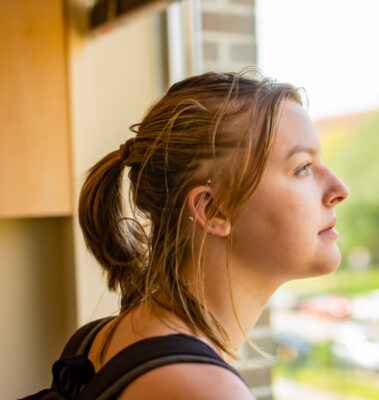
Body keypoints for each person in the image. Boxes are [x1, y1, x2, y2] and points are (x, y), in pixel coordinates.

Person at [77, 70, 349, 399]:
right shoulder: (206, 390)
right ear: (214, 210)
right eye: (303, 167)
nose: (339, 190)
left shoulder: (97, 341)